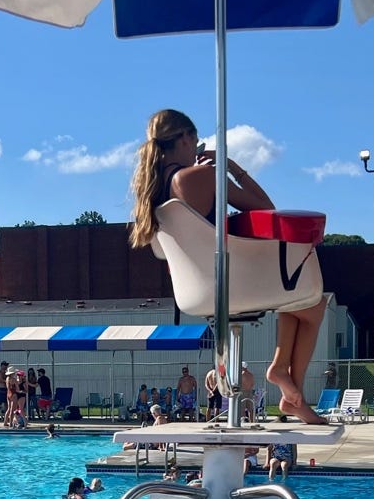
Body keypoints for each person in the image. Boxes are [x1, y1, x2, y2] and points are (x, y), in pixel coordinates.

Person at [129, 109, 328, 424]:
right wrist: (230, 168)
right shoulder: (199, 176)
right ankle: (287, 380)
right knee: (312, 303)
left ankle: (288, 385)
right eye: (195, 141)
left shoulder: (154, 194)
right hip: (231, 283)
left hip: (196, 290)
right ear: (184, 139)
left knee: (296, 299)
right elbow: (265, 207)